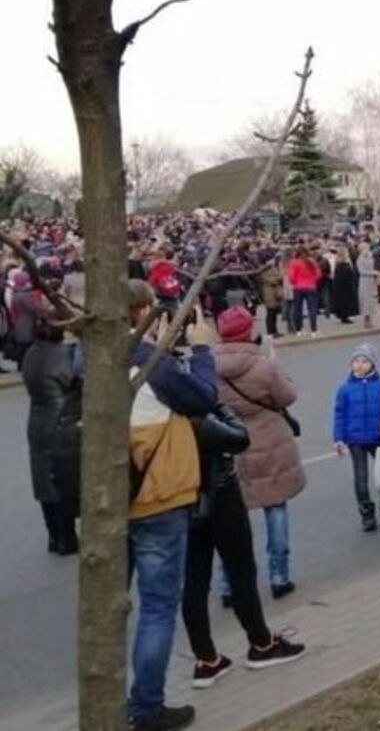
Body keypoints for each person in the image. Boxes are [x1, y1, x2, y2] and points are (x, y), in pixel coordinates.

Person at [126, 280, 217, 731]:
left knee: (115, 603)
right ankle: (146, 706)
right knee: (158, 606)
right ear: (145, 312)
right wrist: (200, 351)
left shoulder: (84, 362)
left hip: (113, 498)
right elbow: (203, 398)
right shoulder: (150, 365)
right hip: (158, 496)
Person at [181, 394, 305, 690]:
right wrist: (216, 402)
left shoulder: (146, 403)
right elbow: (238, 437)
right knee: (240, 570)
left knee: (194, 580)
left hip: (181, 498)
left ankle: (206, 658)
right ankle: (261, 643)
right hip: (218, 491)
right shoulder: (187, 407)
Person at [213, 307, 304, 600]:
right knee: (275, 508)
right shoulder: (264, 366)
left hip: (230, 441)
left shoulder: (210, 366)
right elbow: (287, 396)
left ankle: (229, 584)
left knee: (231, 519)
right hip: (269, 441)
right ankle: (279, 575)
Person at [21, 311, 81, 555]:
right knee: (60, 478)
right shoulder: (61, 356)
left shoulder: (31, 353)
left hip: (36, 420)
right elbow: (74, 381)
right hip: (59, 419)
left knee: (43, 478)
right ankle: (66, 536)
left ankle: (54, 536)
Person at [334, 343, 380, 531]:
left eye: (364, 361)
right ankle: (367, 514)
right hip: (355, 440)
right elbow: (339, 414)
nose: (359, 365)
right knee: (361, 477)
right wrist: (338, 439)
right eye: (356, 361)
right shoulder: (345, 389)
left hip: (378, 438)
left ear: (372, 364)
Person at [285, 247, 321, 337]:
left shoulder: (294, 262)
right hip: (311, 286)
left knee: (298, 309)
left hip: (298, 287)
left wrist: (295, 282)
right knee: (312, 309)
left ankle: (299, 330)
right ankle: (314, 330)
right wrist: (313, 281)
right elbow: (318, 274)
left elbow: (291, 277)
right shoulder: (312, 261)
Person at [257, 254, 285, 338]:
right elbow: (267, 280)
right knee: (270, 312)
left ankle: (275, 331)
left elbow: (280, 276)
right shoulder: (262, 269)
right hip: (268, 292)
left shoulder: (274, 267)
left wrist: (277, 278)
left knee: (275, 312)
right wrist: (275, 279)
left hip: (276, 292)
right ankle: (270, 331)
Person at [332, 253, 360, 326]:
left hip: (340, 289)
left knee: (341, 303)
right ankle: (345, 317)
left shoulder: (338, 267)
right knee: (345, 303)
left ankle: (343, 316)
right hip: (345, 289)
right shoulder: (344, 267)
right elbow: (349, 277)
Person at [356, 246, 380, 329]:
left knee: (371, 301)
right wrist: (372, 273)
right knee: (365, 300)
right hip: (364, 281)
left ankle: (370, 318)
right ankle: (366, 320)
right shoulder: (360, 260)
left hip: (371, 281)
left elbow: (373, 266)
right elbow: (361, 271)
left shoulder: (370, 257)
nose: (366, 251)